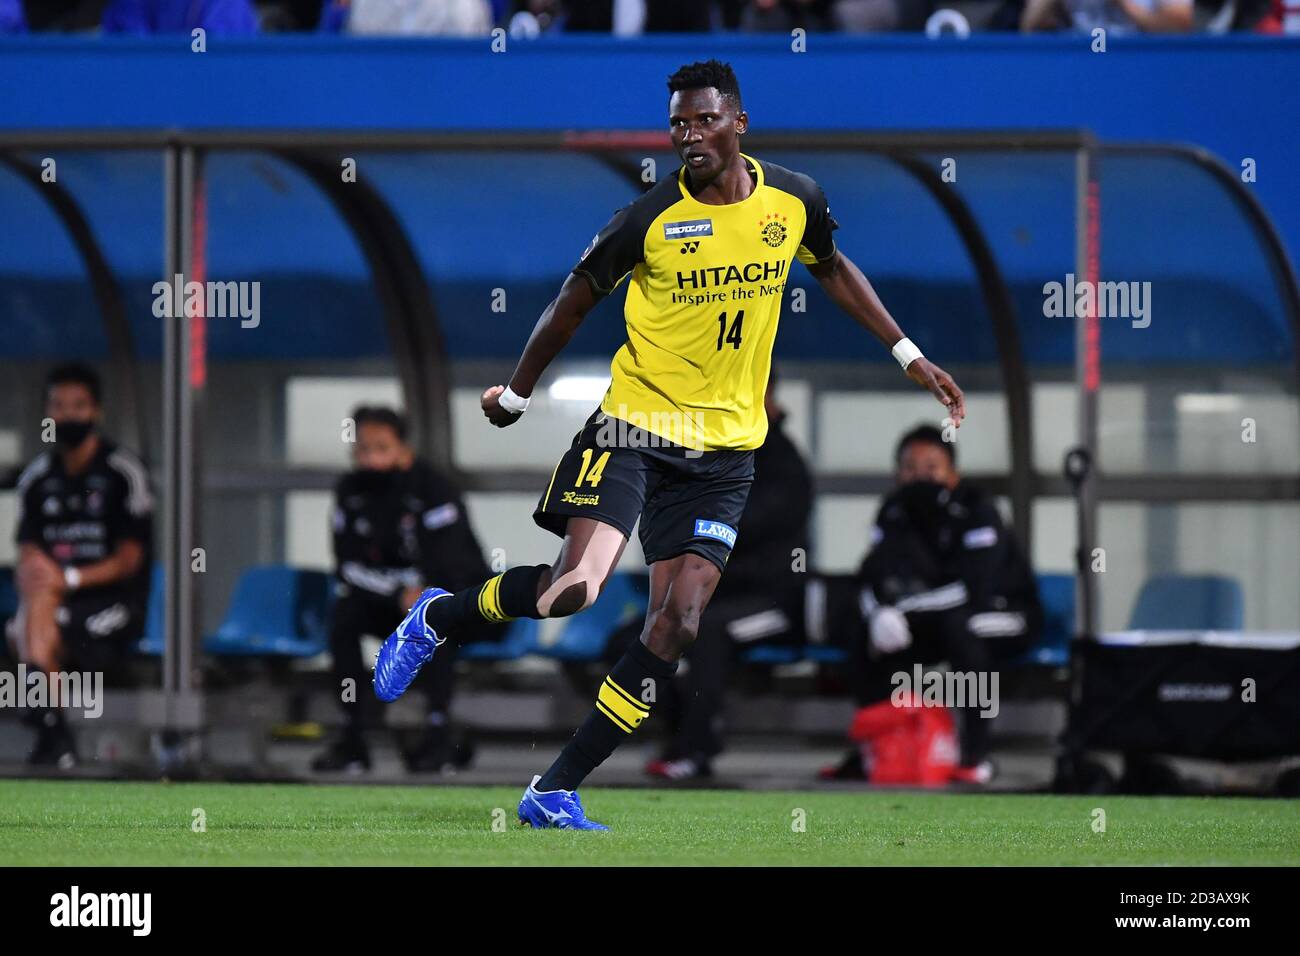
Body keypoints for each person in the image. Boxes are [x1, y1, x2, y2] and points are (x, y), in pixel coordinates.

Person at [373, 59, 965, 829]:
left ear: (739, 123)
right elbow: (570, 303)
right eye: (679, 123)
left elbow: (833, 266)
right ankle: (437, 619)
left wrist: (908, 355)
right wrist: (516, 395)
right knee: (573, 591)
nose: (690, 135)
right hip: (635, 430)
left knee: (679, 624)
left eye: (705, 120)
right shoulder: (647, 218)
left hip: (725, 457)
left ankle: (555, 788)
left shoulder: (795, 200)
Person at [826, 424, 1041, 783]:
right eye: (910, 467)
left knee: (963, 629)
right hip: (937, 616)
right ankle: (879, 746)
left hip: (1006, 612)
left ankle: (976, 755)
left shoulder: (977, 508)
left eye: (932, 466)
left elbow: (971, 589)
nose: (920, 475)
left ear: (952, 473)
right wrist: (879, 614)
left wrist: (903, 611)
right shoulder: (894, 511)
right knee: (868, 634)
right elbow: (870, 576)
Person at [626, 370, 813, 781]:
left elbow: (738, 528)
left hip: (774, 603)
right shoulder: (713, 450)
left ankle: (695, 751)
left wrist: (693, 527)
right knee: (629, 639)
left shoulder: (782, 461)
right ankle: (681, 736)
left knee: (707, 633)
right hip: (715, 597)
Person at [311, 406, 502, 774]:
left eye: (380, 447)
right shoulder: (351, 491)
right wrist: (397, 593)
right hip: (391, 602)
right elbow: (347, 566)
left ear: (402, 447)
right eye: (362, 448)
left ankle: (437, 734)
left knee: (436, 619)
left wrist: (421, 594)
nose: (369, 457)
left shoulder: (433, 488)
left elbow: (456, 565)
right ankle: (353, 737)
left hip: (453, 601)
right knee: (344, 617)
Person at [6, 364, 153, 768]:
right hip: (52, 607)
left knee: (30, 624)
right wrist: (42, 577)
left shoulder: (122, 472)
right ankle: (58, 738)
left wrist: (67, 578)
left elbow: (130, 559)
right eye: (58, 406)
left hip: (112, 607)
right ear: (46, 413)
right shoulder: (37, 478)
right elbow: (29, 550)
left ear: (97, 412)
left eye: (78, 406)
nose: (68, 415)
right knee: (35, 612)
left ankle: (51, 730)